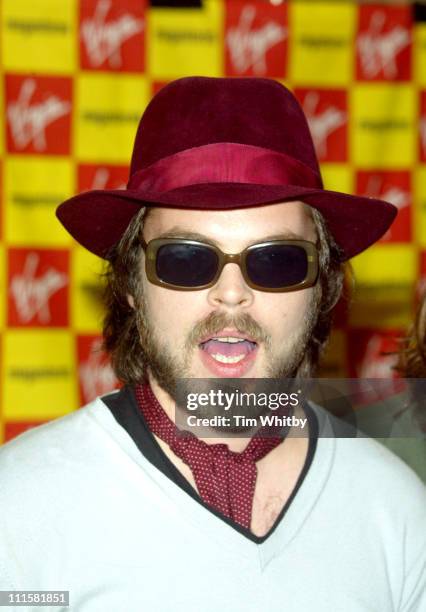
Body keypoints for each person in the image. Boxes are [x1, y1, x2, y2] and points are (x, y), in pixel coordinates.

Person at [0, 77, 425, 611]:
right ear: (132, 283)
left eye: (276, 261)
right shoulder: (19, 508)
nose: (231, 295)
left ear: (321, 288)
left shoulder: (398, 512)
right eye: (186, 259)